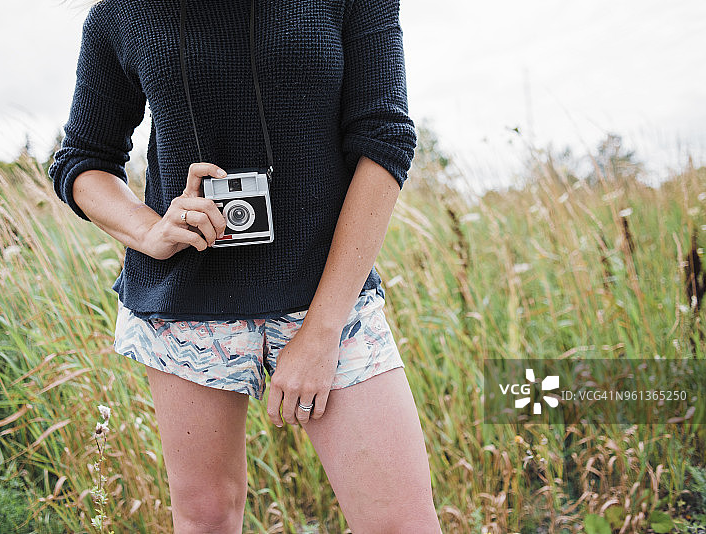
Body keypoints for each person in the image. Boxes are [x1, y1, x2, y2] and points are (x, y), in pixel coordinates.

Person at [49, 0, 442, 531]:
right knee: (208, 517)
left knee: (402, 523)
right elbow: (83, 160)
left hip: (330, 297)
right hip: (186, 301)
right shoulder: (123, 13)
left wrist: (322, 332)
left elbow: (385, 139)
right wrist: (150, 231)